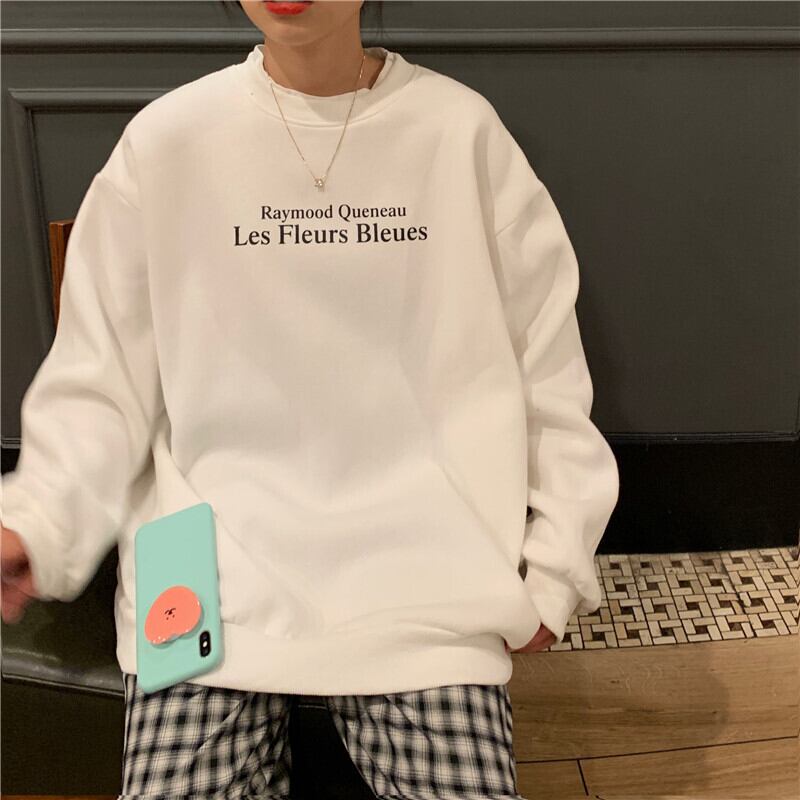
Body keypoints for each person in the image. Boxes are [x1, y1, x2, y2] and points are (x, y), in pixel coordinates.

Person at [0, 1, 620, 797]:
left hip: (427, 571)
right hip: (201, 561)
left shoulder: (461, 134)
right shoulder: (165, 143)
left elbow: (548, 370)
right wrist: (37, 520)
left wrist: (556, 568)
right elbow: (102, 381)